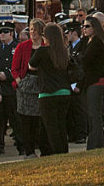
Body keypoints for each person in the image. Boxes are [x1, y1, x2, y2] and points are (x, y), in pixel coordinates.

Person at [29, 23, 78, 154]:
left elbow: (31, 66)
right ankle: (64, 150)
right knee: (61, 124)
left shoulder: (42, 51)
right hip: (64, 92)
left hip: (47, 93)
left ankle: (57, 152)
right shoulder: (64, 52)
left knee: (51, 127)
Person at [12, 18, 47, 157]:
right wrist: (19, 81)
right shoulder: (22, 47)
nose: (32, 33)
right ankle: (29, 150)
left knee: (41, 120)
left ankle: (44, 148)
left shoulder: (46, 46)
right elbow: (14, 68)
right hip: (25, 86)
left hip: (42, 85)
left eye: (35, 30)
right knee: (26, 121)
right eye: (31, 30)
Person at [79, 15, 104, 149]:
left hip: (97, 81)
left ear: (95, 28)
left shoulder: (97, 42)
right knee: (92, 112)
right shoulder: (88, 41)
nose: (84, 29)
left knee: (94, 114)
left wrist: (78, 57)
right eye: (83, 26)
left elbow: (85, 60)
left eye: (87, 26)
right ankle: (102, 139)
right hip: (91, 81)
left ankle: (95, 144)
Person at [0, 25, 20, 156]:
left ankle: (22, 145)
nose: (2, 34)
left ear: (11, 33)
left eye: (5, 32)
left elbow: (20, 67)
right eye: (0, 32)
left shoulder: (16, 48)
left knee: (16, 120)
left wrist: (7, 76)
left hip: (11, 89)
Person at [63, 21, 88, 143]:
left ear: (74, 33)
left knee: (79, 110)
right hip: (69, 83)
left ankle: (81, 134)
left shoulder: (83, 46)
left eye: (68, 33)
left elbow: (83, 67)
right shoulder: (68, 47)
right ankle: (72, 134)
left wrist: (78, 84)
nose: (66, 35)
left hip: (79, 84)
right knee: (71, 110)